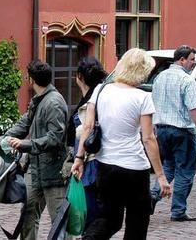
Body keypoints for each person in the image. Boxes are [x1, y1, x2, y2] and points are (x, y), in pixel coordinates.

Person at [71, 48, 172, 239]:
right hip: (135, 168)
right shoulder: (142, 97)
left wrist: (79, 158)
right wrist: (161, 176)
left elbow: (88, 127)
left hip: (106, 166)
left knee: (108, 220)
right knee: (137, 223)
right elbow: (148, 138)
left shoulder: (100, 90)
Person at [0, 60, 68, 240]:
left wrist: (25, 145)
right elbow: (23, 124)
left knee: (59, 221)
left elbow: (55, 138)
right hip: (35, 170)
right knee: (28, 214)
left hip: (53, 172)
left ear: (31, 80)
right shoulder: (38, 100)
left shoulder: (54, 103)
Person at [149, 45, 196, 222]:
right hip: (182, 130)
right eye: (191, 59)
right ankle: (178, 210)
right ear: (181, 60)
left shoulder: (160, 77)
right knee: (185, 171)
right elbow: (194, 108)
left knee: (168, 166)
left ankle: (153, 195)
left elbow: (153, 102)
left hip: (162, 129)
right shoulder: (187, 80)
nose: (193, 62)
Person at [70, 56, 107, 231]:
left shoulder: (91, 103)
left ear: (80, 77)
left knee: (91, 215)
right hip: (97, 162)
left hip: (90, 162)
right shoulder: (101, 95)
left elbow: (86, 130)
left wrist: (78, 158)